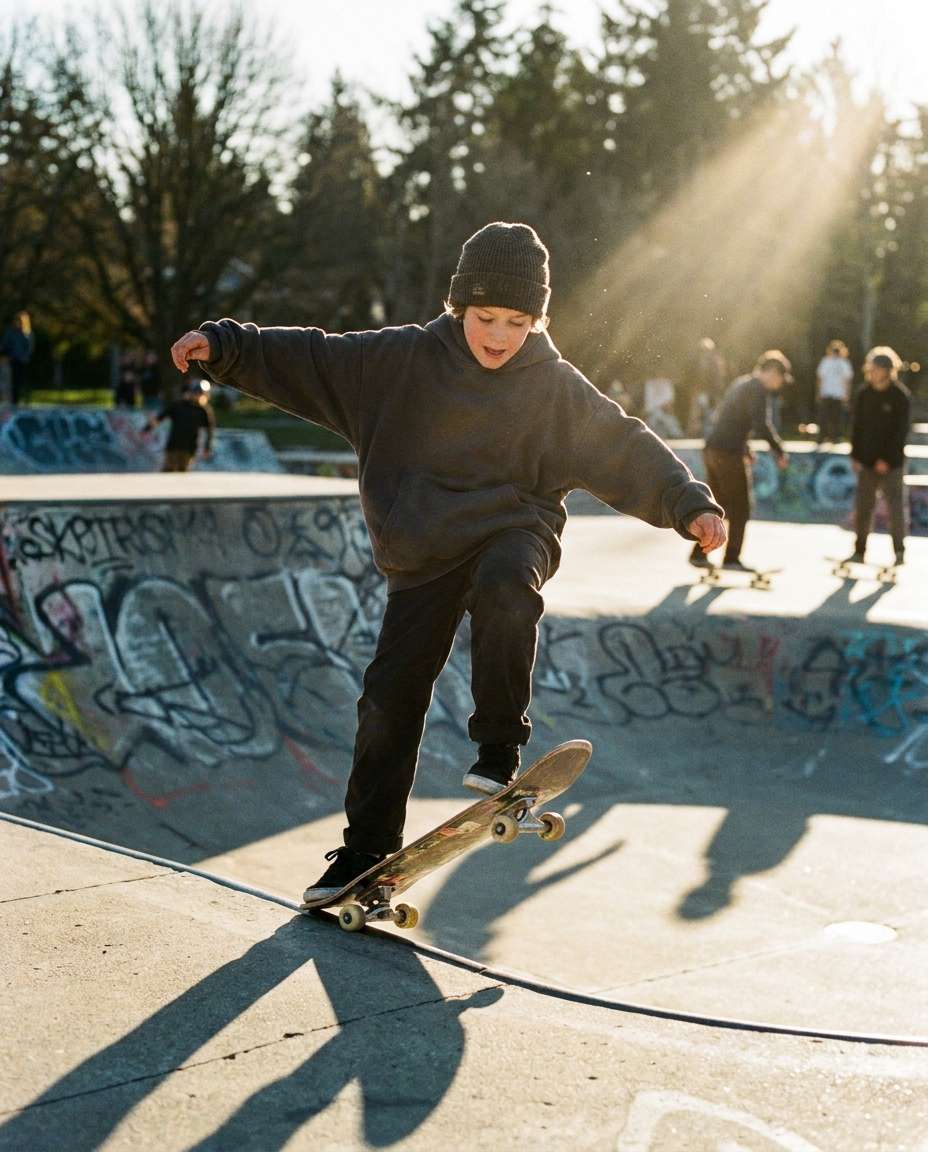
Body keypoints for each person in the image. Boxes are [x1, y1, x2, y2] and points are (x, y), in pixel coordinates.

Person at [170, 221, 726, 899]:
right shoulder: (398, 362)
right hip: (424, 553)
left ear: (538, 320)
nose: (499, 336)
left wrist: (687, 503)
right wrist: (227, 347)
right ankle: (365, 849)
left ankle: (499, 749)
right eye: (485, 317)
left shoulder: (555, 388)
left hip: (513, 529)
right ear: (458, 306)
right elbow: (313, 358)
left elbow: (624, 444)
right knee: (388, 697)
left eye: (518, 322)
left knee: (507, 586)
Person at [691, 350, 791, 571]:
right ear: (772, 372)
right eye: (780, 378)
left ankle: (699, 554)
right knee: (741, 508)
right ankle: (731, 559)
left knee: (716, 505)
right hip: (727, 453)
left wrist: (745, 448)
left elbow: (732, 419)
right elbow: (761, 424)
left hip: (713, 449)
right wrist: (779, 451)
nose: (780, 384)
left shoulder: (742, 384)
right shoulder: (758, 389)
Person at [847, 346, 910, 566]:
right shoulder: (864, 393)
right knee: (863, 507)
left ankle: (899, 550)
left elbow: (900, 432)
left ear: (887, 371)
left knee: (895, 508)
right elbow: (857, 426)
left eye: (877, 369)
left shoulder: (899, 396)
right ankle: (859, 550)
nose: (872, 372)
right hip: (866, 461)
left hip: (892, 464)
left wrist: (887, 459)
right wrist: (855, 455)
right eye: (871, 368)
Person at [146, 379, 215, 471]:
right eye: (195, 394)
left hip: (190, 447)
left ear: (205, 396)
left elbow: (209, 430)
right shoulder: (178, 405)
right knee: (168, 469)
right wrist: (147, 429)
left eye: (200, 395)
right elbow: (160, 418)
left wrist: (207, 447)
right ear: (190, 393)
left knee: (182, 471)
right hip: (173, 445)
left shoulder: (204, 411)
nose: (197, 397)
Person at [816, 339, 853, 443]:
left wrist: (846, 394)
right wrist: (818, 392)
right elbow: (820, 378)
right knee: (824, 416)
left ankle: (836, 437)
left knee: (837, 417)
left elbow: (847, 380)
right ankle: (822, 436)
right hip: (826, 393)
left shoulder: (844, 363)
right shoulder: (826, 361)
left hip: (838, 394)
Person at [0, 311, 34, 406]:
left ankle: (22, 400)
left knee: (20, 382)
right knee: (10, 382)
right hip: (11, 360)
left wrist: (23, 357)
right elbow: (4, 345)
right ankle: (12, 401)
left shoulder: (28, 333)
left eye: (19, 320)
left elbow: (29, 349)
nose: (17, 322)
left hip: (22, 361)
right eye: (16, 320)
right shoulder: (10, 332)